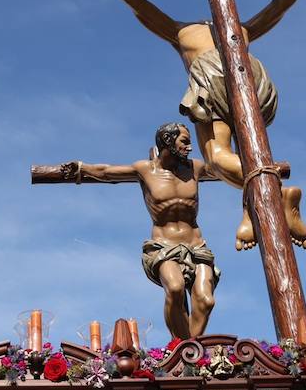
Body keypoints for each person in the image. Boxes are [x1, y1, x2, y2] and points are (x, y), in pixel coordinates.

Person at [71, 0, 306, 251]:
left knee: (217, 157)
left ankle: (277, 193)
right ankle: (254, 204)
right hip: (254, 76)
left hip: (213, 74)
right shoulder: (242, 30)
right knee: (250, 150)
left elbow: (141, 7)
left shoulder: (181, 32)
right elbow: (278, 7)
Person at [70, 123, 220, 339]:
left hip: (196, 245)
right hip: (164, 246)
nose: (189, 147)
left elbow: (226, 170)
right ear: (168, 141)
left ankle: (190, 350)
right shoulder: (145, 170)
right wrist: (82, 168)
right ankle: (182, 348)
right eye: (184, 141)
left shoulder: (194, 168)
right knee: (175, 288)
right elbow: (106, 172)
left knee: (206, 301)